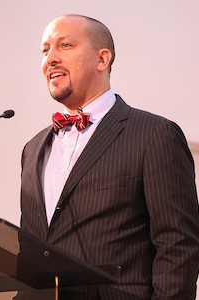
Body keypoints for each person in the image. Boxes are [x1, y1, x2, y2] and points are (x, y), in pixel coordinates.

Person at [18, 14, 198, 299]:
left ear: (102, 59)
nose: (50, 58)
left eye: (65, 46)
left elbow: (178, 245)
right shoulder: (33, 148)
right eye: (45, 49)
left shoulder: (155, 134)